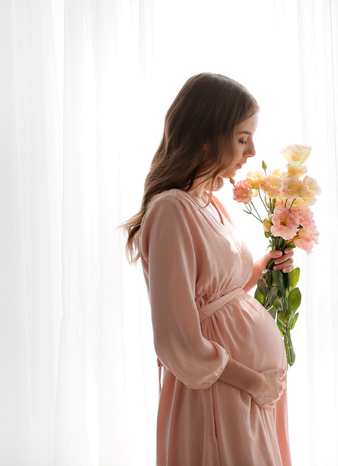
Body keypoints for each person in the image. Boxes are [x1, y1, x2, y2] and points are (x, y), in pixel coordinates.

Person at [123, 73, 293, 465]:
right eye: (241, 138)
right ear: (205, 136)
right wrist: (255, 381)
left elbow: (218, 296)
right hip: (219, 395)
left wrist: (264, 266)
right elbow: (175, 338)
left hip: (242, 393)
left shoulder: (210, 204)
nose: (252, 151)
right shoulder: (170, 209)